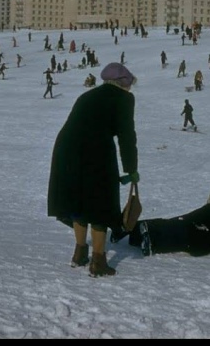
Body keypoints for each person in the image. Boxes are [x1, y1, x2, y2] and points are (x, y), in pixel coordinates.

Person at [47, 62, 139, 277]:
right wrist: (131, 169)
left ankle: (79, 253)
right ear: (123, 82)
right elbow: (126, 135)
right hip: (95, 151)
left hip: (66, 150)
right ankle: (98, 261)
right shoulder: (124, 98)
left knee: (79, 201)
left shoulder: (87, 95)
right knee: (101, 204)